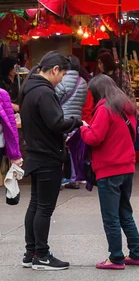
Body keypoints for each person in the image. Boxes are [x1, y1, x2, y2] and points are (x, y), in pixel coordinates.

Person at [20, 51, 82, 270]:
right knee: (44, 208)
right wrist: (77, 121)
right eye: (62, 74)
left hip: (36, 154)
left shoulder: (29, 89)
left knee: (36, 205)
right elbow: (56, 123)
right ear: (55, 70)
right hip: (47, 156)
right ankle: (42, 255)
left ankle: (31, 252)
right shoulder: (44, 92)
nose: (62, 79)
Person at [80, 75, 139, 270]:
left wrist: (83, 128)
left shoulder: (104, 109)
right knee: (125, 211)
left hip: (109, 169)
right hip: (127, 166)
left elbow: (94, 138)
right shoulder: (127, 108)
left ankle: (115, 257)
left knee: (110, 216)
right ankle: (136, 253)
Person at [56, 55, 90, 189]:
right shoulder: (83, 81)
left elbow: (55, 98)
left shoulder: (61, 80)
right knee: (73, 150)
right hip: (76, 119)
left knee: (60, 149)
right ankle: (74, 178)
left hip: (62, 118)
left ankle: (59, 179)